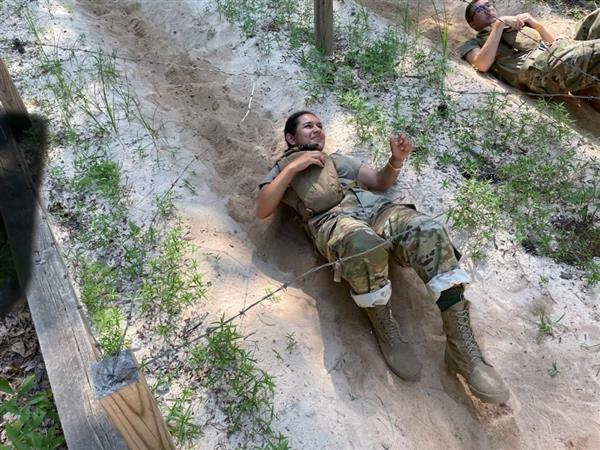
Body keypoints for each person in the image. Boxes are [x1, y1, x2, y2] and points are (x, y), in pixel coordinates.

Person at [256, 111, 509, 404]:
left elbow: (379, 182)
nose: (317, 130)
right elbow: (262, 208)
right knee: (363, 245)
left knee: (427, 229)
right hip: (336, 224)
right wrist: (292, 168)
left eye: (320, 125)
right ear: (290, 137)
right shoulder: (281, 170)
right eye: (308, 126)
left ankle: (463, 348)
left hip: (376, 211)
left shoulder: (336, 161)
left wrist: (396, 160)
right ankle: (382, 320)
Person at [460, 2, 600, 108]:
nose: (487, 9)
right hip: (539, 70)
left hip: (559, 53)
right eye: (479, 9)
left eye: (488, 5)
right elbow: (481, 65)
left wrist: (536, 25)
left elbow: (553, 44)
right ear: (472, 23)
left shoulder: (517, 24)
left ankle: (587, 87)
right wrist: (499, 25)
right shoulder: (473, 43)